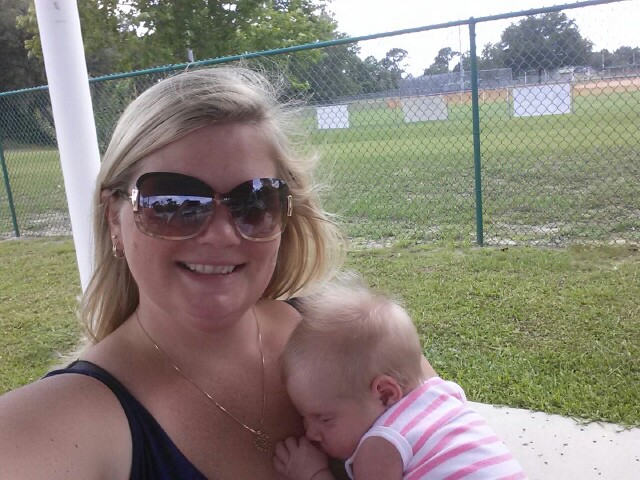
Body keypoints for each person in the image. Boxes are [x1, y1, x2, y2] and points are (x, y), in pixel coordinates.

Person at [0, 66, 347, 479]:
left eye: (253, 203)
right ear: (114, 219)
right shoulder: (60, 423)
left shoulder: (344, 334)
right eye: (173, 204)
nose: (221, 235)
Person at [274, 274, 526, 480]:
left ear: (385, 394)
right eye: (305, 419)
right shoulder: (444, 394)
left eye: (324, 418)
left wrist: (313, 474)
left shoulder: (380, 446)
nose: (311, 433)